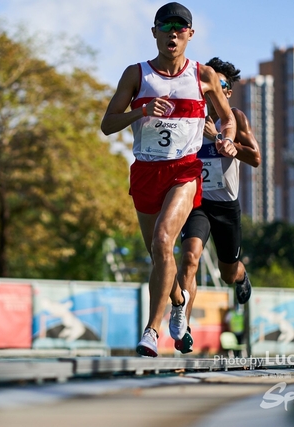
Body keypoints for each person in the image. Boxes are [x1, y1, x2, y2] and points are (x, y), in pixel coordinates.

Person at [101, 2, 237, 358]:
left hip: (184, 172)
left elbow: (228, 118)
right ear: (154, 33)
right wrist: (141, 110)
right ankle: (179, 300)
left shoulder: (203, 75)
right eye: (165, 27)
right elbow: (107, 124)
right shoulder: (136, 74)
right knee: (157, 253)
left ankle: (151, 331)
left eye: (179, 28)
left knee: (164, 239)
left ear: (190, 34)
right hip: (146, 172)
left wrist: (225, 138)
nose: (172, 34)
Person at [172, 57, 261, 354]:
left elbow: (256, 159)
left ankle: (241, 274)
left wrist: (226, 141)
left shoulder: (234, 116)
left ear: (228, 92)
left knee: (226, 272)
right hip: (197, 202)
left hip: (225, 206)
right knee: (190, 257)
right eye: (208, 84)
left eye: (220, 86)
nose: (213, 91)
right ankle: (183, 325)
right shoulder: (192, 114)